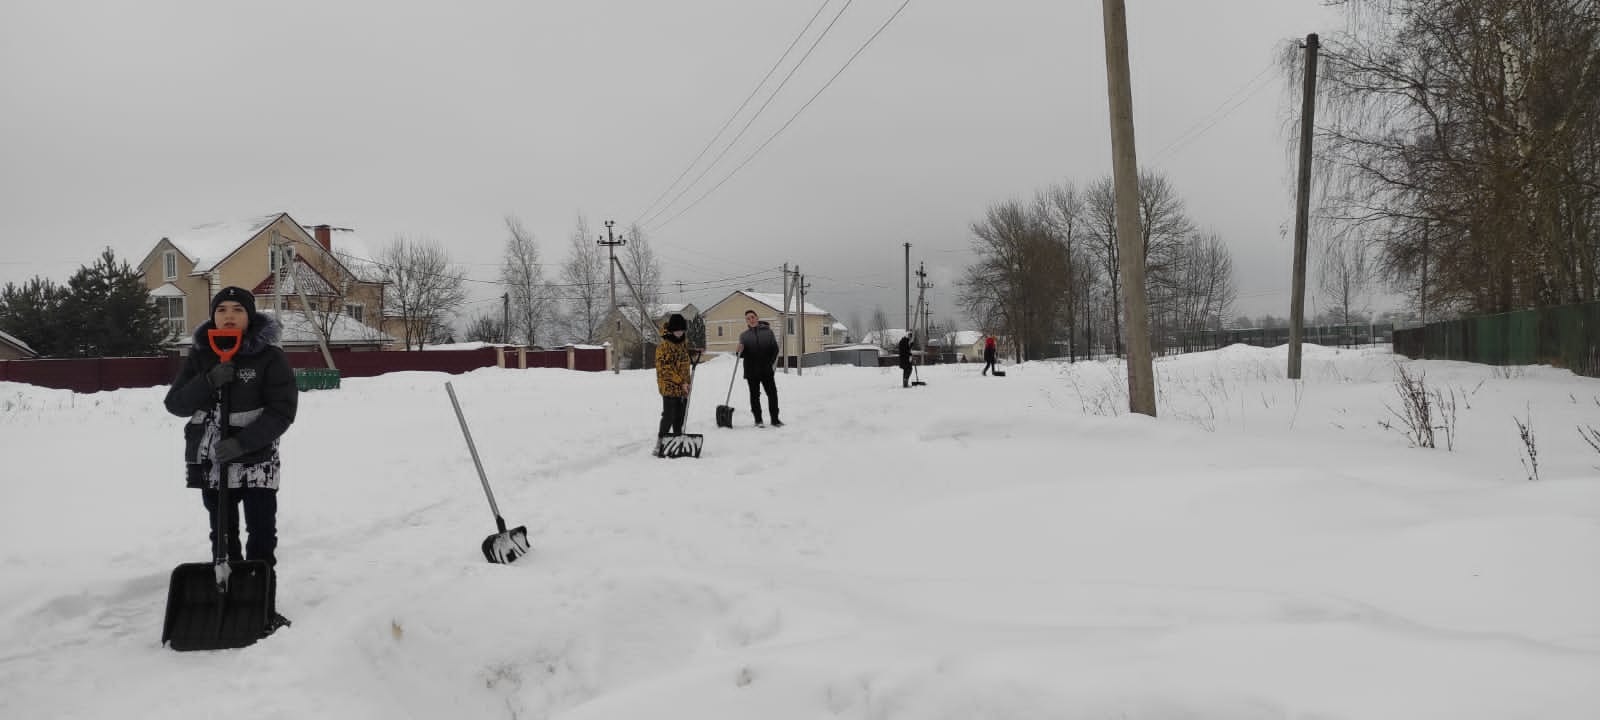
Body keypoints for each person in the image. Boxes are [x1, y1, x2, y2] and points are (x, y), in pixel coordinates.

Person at [164, 287, 297, 634]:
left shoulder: (270, 358)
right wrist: (207, 381)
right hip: (214, 463)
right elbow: (175, 404)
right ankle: (232, 599)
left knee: (261, 534)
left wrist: (242, 443)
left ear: (249, 316)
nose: (228, 315)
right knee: (222, 533)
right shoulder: (200, 355)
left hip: (256, 461)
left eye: (237, 309)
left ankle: (262, 604)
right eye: (221, 309)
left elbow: (282, 411)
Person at [734, 309, 781, 427]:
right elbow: (741, 355)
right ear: (747, 321)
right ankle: (758, 420)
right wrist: (739, 351)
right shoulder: (744, 336)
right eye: (748, 318)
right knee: (754, 396)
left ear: (757, 318)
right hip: (751, 371)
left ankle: (775, 419)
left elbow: (774, 349)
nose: (751, 320)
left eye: (752, 317)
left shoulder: (768, 332)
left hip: (766, 370)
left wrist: (769, 363)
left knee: (772, 394)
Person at [654, 313, 692, 454]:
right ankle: (660, 441)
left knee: (680, 416)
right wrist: (681, 382)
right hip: (669, 386)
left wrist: (694, 352)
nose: (679, 332)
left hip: (683, 386)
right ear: (671, 330)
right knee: (669, 415)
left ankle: (677, 439)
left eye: (681, 330)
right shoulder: (663, 347)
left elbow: (683, 357)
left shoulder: (683, 344)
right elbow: (665, 369)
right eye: (676, 330)